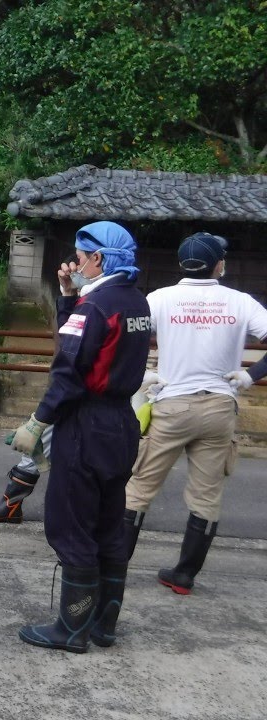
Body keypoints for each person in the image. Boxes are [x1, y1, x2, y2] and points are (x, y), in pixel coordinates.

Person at [10, 221, 151, 653]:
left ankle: (71, 629)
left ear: (99, 259)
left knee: (70, 523)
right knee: (109, 522)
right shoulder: (135, 302)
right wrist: (69, 295)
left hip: (86, 423)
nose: (77, 262)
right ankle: (104, 625)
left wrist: (37, 421)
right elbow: (85, 345)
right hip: (123, 423)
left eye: (82, 255)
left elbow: (68, 370)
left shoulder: (96, 308)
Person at [123, 232, 267, 595]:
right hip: (220, 407)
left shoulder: (159, 299)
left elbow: (125, 336)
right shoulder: (241, 302)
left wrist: (140, 377)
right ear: (219, 264)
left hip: (172, 405)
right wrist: (250, 375)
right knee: (206, 496)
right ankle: (184, 575)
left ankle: (115, 565)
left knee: (139, 488)